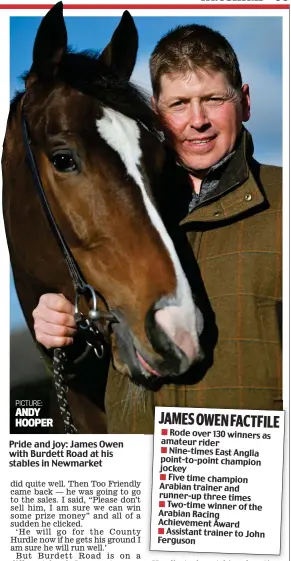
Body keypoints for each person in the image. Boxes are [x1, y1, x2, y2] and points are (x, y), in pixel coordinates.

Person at [32, 24, 282, 433]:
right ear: (156, 114)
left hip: (248, 482)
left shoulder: (282, 203)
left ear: (246, 102)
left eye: (214, 99)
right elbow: (95, 374)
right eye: (179, 103)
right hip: (136, 478)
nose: (197, 120)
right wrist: (62, 333)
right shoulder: (122, 212)